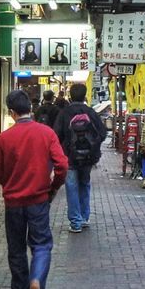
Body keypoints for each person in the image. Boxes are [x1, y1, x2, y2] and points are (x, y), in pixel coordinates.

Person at [0, 89, 67, 289]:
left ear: (12, 112)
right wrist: (53, 187)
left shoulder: (3, 138)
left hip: (13, 201)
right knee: (41, 244)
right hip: (39, 199)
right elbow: (62, 165)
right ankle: (36, 281)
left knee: (16, 246)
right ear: (30, 109)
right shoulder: (46, 133)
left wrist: (10, 184)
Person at [53, 82, 107, 233]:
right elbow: (102, 133)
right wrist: (92, 146)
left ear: (70, 96)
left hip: (69, 157)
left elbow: (56, 135)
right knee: (85, 184)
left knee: (71, 187)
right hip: (88, 158)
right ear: (85, 96)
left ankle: (75, 222)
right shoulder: (91, 112)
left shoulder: (64, 113)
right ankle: (84, 218)